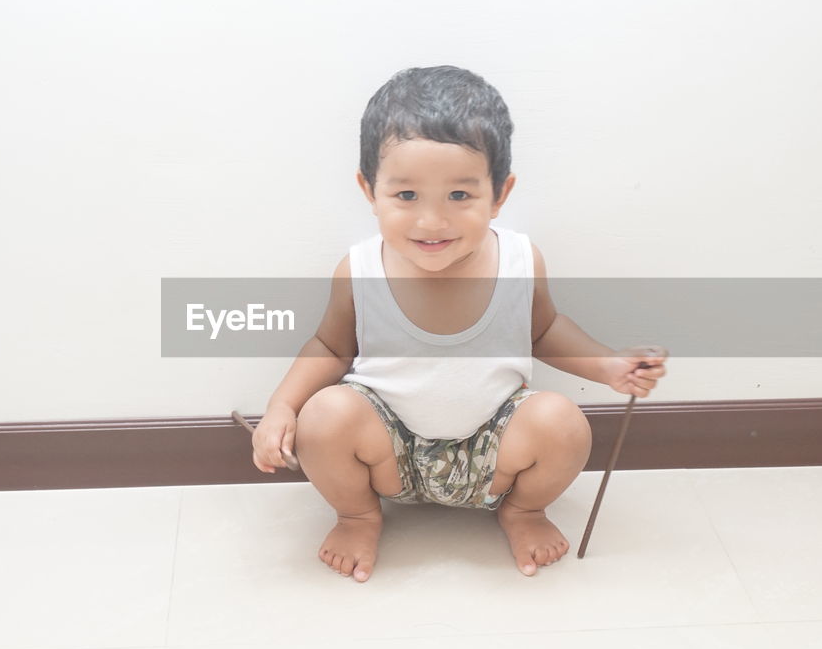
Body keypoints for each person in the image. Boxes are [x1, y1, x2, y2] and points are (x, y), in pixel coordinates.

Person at [250, 65, 668, 582]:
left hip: (493, 449)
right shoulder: (359, 269)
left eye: (459, 196)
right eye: (406, 196)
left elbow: (543, 331)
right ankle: (357, 515)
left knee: (562, 423)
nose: (431, 221)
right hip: (388, 449)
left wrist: (607, 367)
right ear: (368, 189)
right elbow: (330, 347)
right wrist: (281, 407)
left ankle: (525, 510)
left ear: (500, 193)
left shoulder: (519, 260)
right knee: (324, 415)